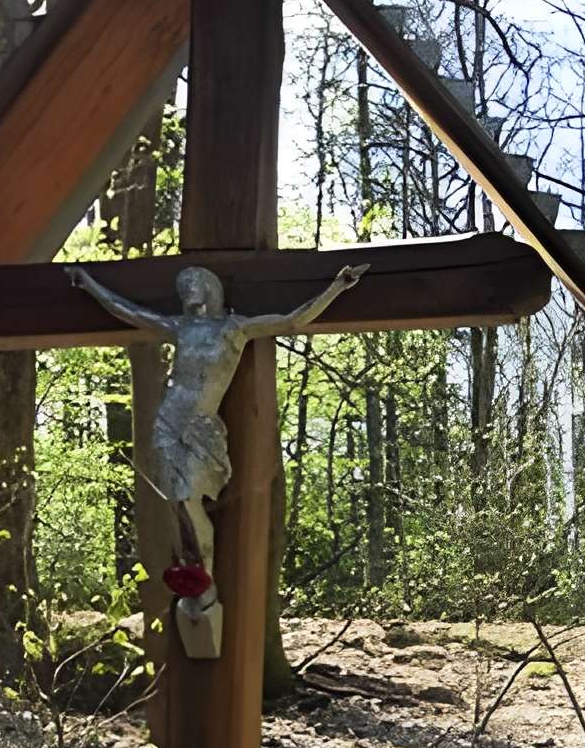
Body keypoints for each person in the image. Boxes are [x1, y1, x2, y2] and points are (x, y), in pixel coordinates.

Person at [70, 260, 368, 651]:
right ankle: (192, 575)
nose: (185, 291)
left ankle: (201, 575)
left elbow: (293, 321)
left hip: (200, 426)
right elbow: (129, 312)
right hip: (168, 421)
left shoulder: (234, 328)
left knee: (187, 500)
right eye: (181, 286)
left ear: (210, 287)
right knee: (176, 503)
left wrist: (337, 285)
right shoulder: (180, 327)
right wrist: (89, 284)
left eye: (192, 283)